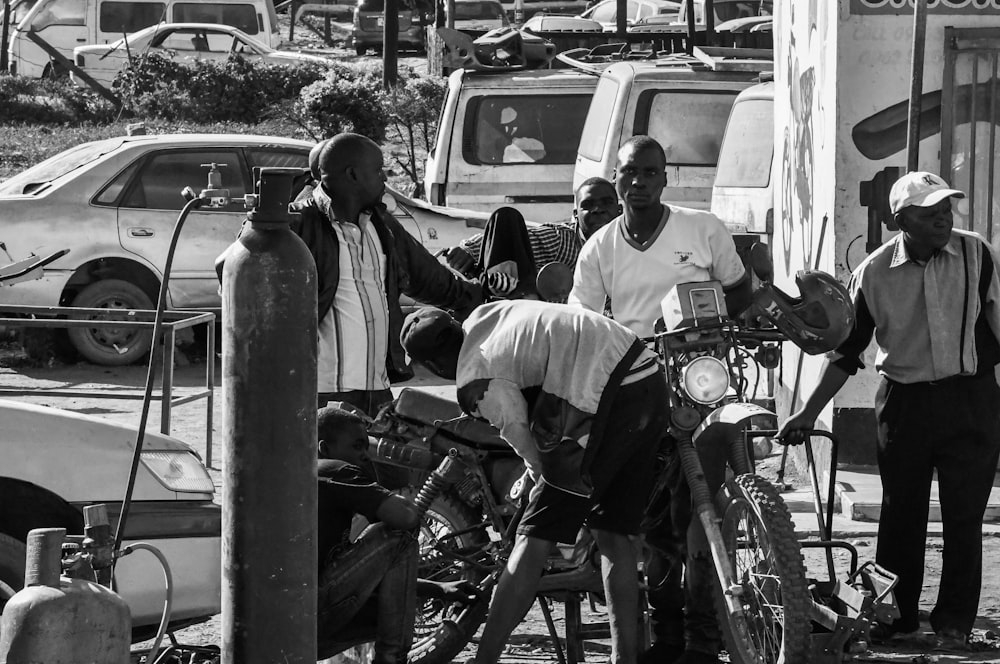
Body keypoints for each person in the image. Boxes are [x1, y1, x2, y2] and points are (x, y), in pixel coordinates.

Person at [778, 171, 1000, 652]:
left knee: (965, 515)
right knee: (901, 514)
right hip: (905, 404)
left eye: (946, 208)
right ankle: (896, 616)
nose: (943, 218)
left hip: (972, 400)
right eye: (930, 211)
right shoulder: (874, 272)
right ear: (901, 220)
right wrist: (807, 413)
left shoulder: (976, 253)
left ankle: (955, 621)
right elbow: (846, 353)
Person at [567, 135, 752, 664]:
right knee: (654, 521)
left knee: (705, 504)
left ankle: (704, 636)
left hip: (702, 380)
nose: (640, 183)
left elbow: (739, 289)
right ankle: (670, 637)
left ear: (664, 177)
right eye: (630, 173)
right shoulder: (599, 246)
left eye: (650, 173)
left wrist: (719, 327)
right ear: (617, 178)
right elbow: (583, 321)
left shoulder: (702, 228)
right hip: (636, 388)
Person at [400, 301, 669, 664]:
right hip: (647, 374)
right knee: (613, 534)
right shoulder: (486, 315)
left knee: (531, 542)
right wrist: (536, 475)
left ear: (431, 365)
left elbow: (521, 435)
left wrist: (535, 480)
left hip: (603, 393)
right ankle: (624, 659)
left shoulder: (475, 377)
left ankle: (485, 659)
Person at [289, 133, 483, 416]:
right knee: (328, 462)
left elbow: (431, 280)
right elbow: (233, 268)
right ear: (353, 175)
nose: (384, 179)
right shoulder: (299, 223)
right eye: (378, 170)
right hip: (319, 392)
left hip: (377, 389)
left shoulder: (382, 226)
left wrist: (483, 297)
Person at [316, 405, 476, 662]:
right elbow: (405, 518)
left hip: (295, 621)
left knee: (387, 605)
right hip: (315, 614)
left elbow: (368, 578)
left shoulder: (305, 474)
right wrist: (437, 477)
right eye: (357, 446)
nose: (365, 456)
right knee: (398, 535)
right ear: (324, 448)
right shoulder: (333, 470)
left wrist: (439, 589)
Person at [443, 177, 621, 282]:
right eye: (588, 205)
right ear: (575, 215)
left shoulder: (632, 243)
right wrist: (469, 250)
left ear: (620, 210)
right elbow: (514, 237)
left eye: (606, 203)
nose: (598, 210)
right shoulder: (560, 240)